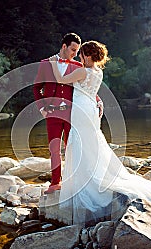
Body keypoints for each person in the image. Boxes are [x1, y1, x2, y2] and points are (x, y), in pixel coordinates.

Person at [49, 40, 151, 226]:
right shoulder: (98, 72)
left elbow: (60, 79)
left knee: (81, 143)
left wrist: (53, 63)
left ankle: (85, 182)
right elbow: (91, 91)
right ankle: (92, 174)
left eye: (82, 54)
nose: (80, 57)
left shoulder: (83, 71)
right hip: (90, 110)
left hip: (82, 111)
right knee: (92, 142)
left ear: (88, 55)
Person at [33, 33, 103, 194]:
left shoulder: (79, 67)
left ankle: (73, 181)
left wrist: (98, 99)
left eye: (78, 51)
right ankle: (55, 182)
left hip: (73, 113)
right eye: (73, 50)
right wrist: (42, 108)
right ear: (64, 46)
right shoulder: (45, 64)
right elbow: (37, 88)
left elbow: (86, 87)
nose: (75, 54)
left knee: (72, 147)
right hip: (53, 113)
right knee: (54, 148)